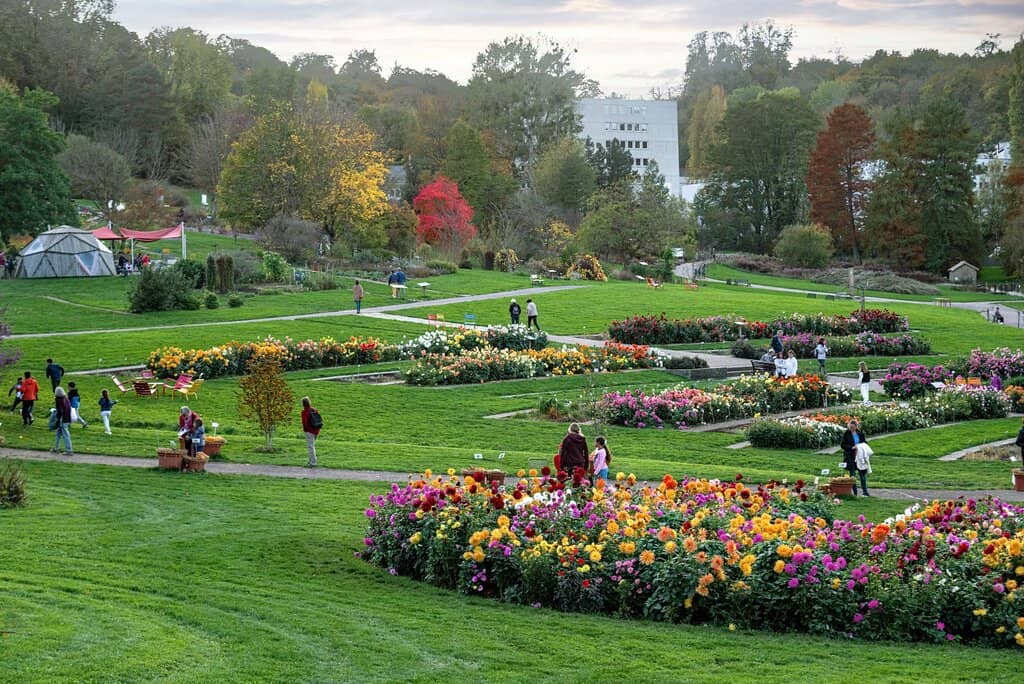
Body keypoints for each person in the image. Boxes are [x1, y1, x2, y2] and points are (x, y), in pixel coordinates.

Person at [840, 419, 870, 496]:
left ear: (856, 426)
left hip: (860, 456)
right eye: (850, 427)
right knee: (852, 475)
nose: (852, 429)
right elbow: (842, 445)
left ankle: (865, 492)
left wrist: (861, 446)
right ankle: (855, 493)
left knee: (862, 474)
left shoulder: (860, 433)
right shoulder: (846, 434)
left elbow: (864, 442)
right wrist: (851, 447)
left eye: (853, 427)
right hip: (850, 457)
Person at [300, 396, 321, 467]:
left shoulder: (304, 412)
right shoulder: (314, 409)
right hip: (316, 430)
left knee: (311, 447)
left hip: (309, 431)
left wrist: (305, 430)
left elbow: (305, 423)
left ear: (303, 404)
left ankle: (313, 462)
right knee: (312, 446)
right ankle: (310, 461)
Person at [52, 386, 73, 455]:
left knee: (65, 435)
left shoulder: (58, 400)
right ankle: (56, 447)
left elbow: (60, 411)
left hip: (62, 419)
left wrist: (57, 420)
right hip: (67, 418)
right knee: (58, 434)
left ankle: (69, 450)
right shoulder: (66, 398)